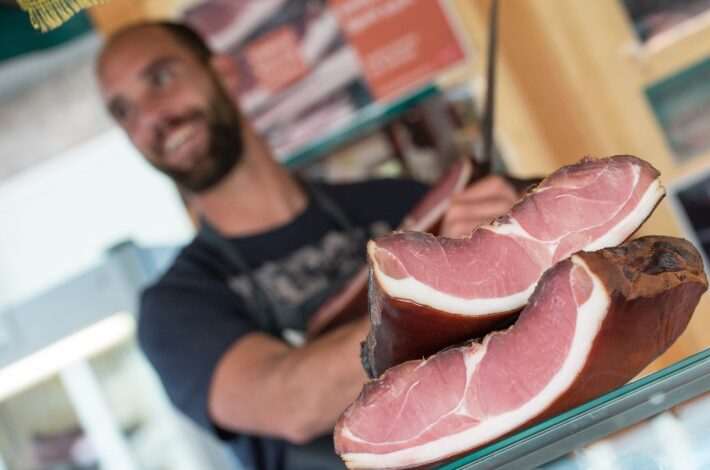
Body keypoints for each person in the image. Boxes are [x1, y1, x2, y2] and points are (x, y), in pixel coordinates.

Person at [96, 21, 519, 470]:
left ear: (222, 72)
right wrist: (443, 280)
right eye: (124, 111)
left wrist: (512, 227)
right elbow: (293, 404)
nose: (151, 116)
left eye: (162, 78)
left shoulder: (400, 203)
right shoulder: (177, 308)